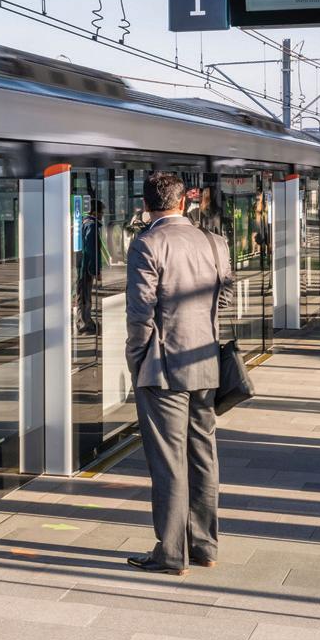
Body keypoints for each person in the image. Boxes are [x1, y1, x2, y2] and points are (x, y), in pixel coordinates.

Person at [125, 172, 233, 575]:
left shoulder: (147, 244)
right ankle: (204, 546)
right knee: (203, 454)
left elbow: (140, 312)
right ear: (184, 202)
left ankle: (171, 553)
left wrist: (137, 359)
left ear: (146, 205)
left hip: (163, 366)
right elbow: (225, 295)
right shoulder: (215, 242)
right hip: (205, 362)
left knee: (169, 461)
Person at [77, 200, 105, 335]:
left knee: (83, 295)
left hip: (83, 265)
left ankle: (84, 321)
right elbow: (91, 250)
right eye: (101, 212)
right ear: (95, 212)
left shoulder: (84, 223)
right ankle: (85, 324)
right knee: (85, 296)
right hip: (86, 266)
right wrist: (95, 270)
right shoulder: (91, 226)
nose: (102, 215)